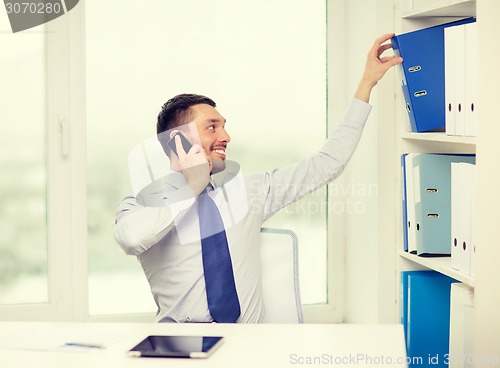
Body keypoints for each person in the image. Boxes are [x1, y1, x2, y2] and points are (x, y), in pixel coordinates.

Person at [114, 34, 403, 323]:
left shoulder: (249, 189)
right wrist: (193, 186)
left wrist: (367, 83)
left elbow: (327, 163)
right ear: (179, 141)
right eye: (211, 127)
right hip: (178, 348)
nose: (225, 137)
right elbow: (131, 239)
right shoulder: (143, 204)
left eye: (223, 127)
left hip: (250, 345)